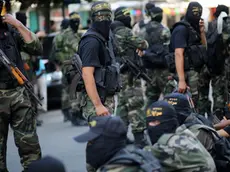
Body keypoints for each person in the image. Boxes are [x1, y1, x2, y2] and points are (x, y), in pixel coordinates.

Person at [0, 4, 42, 172]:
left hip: (18, 92)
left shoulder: (10, 28)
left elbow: (36, 48)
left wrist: (17, 24)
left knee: (30, 148)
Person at [111, 6, 148, 148]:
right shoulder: (125, 32)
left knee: (122, 105)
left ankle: (120, 138)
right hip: (130, 75)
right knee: (135, 104)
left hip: (117, 75)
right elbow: (143, 44)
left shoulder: (110, 33)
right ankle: (139, 139)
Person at [145, 101, 216, 172]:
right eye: (149, 122)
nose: (151, 126)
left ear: (170, 122)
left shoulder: (175, 144)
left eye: (156, 122)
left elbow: (144, 156)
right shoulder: (186, 134)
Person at [74, 116, 162, 172]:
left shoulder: (118, 168)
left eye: (92, 141)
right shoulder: (141, 157)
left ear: (107, 142)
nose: (89, 145)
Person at [79, 1, 120, 120]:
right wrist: (98, 105)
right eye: (100, 16)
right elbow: (87, 74)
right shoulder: (91, 41)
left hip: (105, 97)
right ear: (93, 18)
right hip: (96, 101)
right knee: (102, 137)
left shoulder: (105, 38)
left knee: (104, 137)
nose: (105, 20)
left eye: (107, 16)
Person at [52, 12, 86, 126]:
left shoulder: (77, 34)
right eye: (74, 22)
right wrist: (63, 63)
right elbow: (57, 52)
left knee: (76, 90)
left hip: (77, 66)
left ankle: (77, 113)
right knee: (73, 90)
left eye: (78, 21)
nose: (76, 24)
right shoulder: (67, 35)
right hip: (70, 66)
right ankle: (74, 114)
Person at [169, 2, 207, 106]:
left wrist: (202, 32)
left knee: (197, 104)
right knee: (188, 105)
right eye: (194, 12)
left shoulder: (193, 29)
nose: (196, 15)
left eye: (199, 13)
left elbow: (203, 49)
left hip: (196, 73)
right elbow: (178, 53)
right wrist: (181, 80)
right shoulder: (181, 29)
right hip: (186, 74)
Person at [198, 5, 230, 120]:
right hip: (220, 64)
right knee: (219, 94)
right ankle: (217, 120)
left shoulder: (208, 24)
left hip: (204, 64)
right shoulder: (226, 25)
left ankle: (201, 118)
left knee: (202, 94)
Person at [137, 5, 171, 108]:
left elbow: (138, 49)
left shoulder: (142, 31)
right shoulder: (164, 30)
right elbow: (168, 50)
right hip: (164, 69)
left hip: (149, 70)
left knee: (151, 98)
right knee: (169, 97)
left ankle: (148, 120)